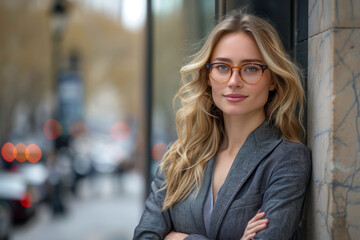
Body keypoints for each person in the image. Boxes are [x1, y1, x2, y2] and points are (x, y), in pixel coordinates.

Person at [133, 9, 311, 240]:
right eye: (222, 67)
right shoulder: (178, 157)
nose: (234, 81)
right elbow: (144, 236)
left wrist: (177, 237)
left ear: (273, 80)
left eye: (251, 69)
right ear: (208, 77)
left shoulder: (287, 159)